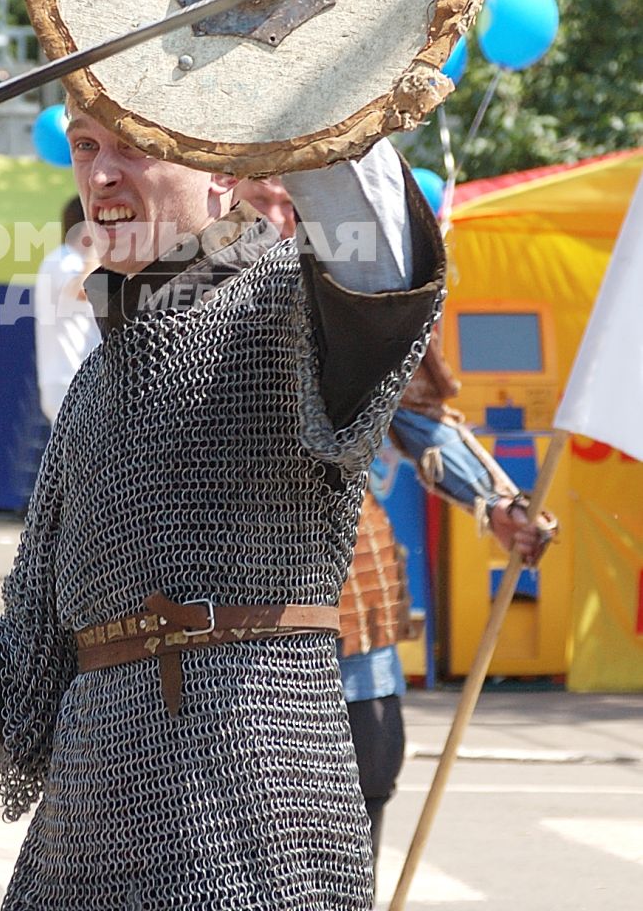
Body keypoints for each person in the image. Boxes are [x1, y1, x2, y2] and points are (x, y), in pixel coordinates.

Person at [0, 100, 449, 910]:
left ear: (220, 171)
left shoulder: (290, 313)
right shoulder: (96, 392)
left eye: (136, 148)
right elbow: (26, 677)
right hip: (88, 838)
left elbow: (386, 263)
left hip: (259, 833)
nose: (102, 174)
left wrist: (286, 73)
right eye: (85, 147)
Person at [235, 175, 556, 867]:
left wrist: (497, 507)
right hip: (225, 597)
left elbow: (420, 420)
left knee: (367, 777)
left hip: (348, 580)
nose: (276, 216)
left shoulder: (355, 303)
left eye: (291, 202)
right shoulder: (169, 296)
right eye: (261, 199)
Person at [31, 195, 100, 422]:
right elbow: (83, 290)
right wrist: (98, 245)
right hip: (67, 379)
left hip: (78, 380)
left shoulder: (74, 261)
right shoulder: (61, 260)